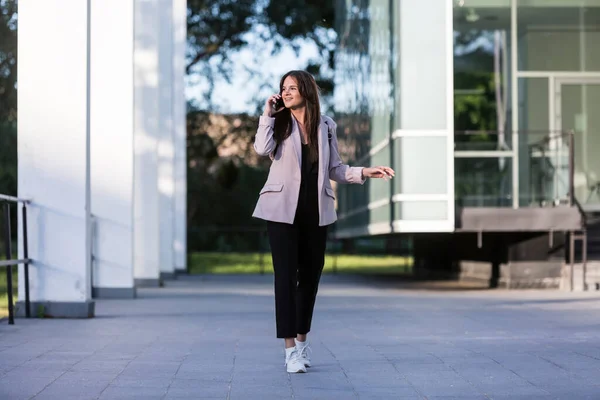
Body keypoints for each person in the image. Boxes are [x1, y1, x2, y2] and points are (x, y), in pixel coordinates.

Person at [252, 70, 395, 373]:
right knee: (285, 279)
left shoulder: (326, 126)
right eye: (283, 88)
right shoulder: (278, 121)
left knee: (311, 279)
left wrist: (364, 172)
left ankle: (302, 342)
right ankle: (290, 350)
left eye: (292, 87)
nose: (286, 92)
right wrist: (267, 115)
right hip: (280, 210)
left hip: (316, 211)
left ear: (306, 90)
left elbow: (336, 169)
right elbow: (261, 149)